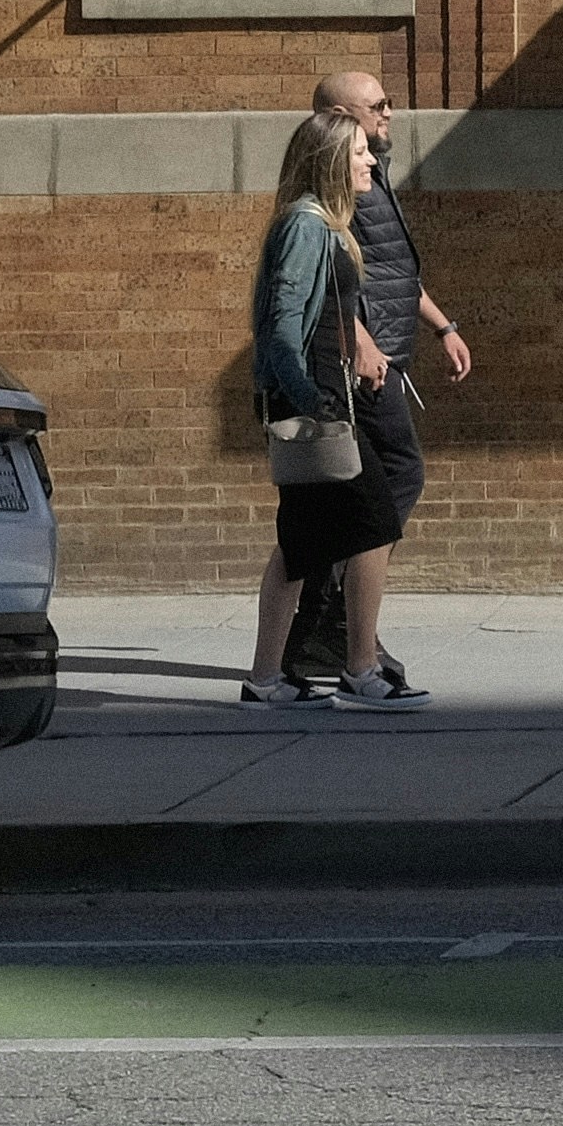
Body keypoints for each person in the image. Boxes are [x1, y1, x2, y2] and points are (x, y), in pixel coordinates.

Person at [283, 69, 471, 687]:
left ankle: (325, 629)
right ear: (340, 114)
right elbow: (335, 277)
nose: (389, 114)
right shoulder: (338, 185)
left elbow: (391, 270)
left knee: (359, 492)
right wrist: (361, 345)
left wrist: (443, 326)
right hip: (364, 364)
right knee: (387, 482)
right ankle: (336, 624)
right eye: (377, 106)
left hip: (389, 354)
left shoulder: (373, 171)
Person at [240, 106, 427, 709]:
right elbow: (280, 329)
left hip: (324, 401)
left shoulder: (322, 224)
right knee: (374, 523)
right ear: (329, 162)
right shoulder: (307, 226)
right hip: (320, 410)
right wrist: (313, 403)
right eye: (358, 152)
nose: (371, 159)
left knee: (300, 543)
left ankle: (266, 680)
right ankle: (361, 670)